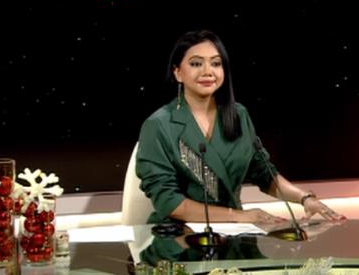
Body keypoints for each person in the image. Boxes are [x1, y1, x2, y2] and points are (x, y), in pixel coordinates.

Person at [136, 30, 343, 225]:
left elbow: (265, 174)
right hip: (178, 235)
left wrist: (304, 198)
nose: (208, 71)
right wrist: (236, 216)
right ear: (178, 73)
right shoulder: (158, 125)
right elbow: (169, 202)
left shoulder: (238, 115)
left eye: (216, 64)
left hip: (235, 231)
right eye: (196, 63)